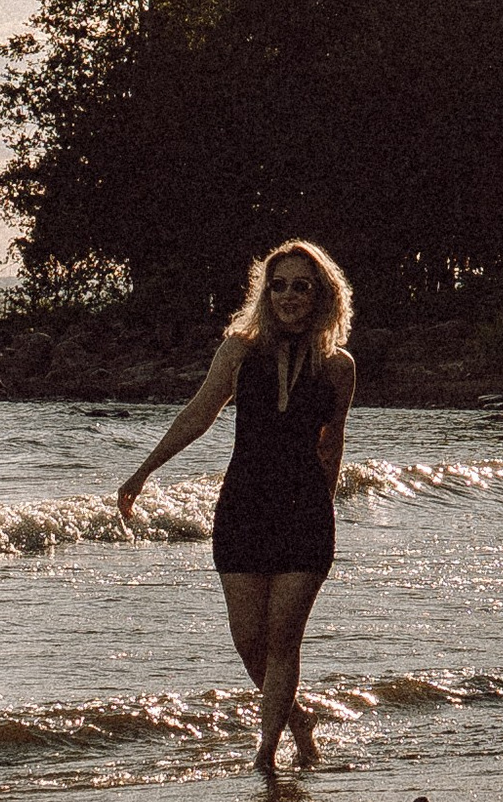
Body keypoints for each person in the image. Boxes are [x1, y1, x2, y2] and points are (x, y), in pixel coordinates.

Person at [117, 240, 356, 774]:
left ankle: (265, 758)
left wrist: (326, 511)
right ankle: (295, 720)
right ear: (265, 292)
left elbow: (331, 445)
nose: (290, 295)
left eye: (302, 285)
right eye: (280, 285)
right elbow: (197, 415)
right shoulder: (239, 351)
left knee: (283, 640)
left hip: (304, 513)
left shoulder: (339, 367)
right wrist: (143, 471)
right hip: (243, 507)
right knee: (250, 642)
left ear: (321, 294)